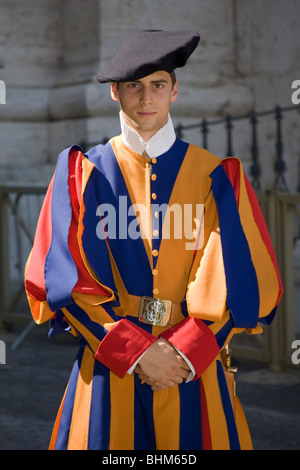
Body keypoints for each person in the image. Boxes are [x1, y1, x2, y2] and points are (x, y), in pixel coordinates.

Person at [24, 30, 283, 450]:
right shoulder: (81, 173)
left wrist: (182, 354)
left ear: (175, 90)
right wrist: (136, 352)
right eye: (134, 87)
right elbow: (60, 278)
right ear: (115, 93)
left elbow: (236, 277)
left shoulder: (217, 176)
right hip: (110, 367)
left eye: (158, 85)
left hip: (192, 369)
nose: (146, 99)